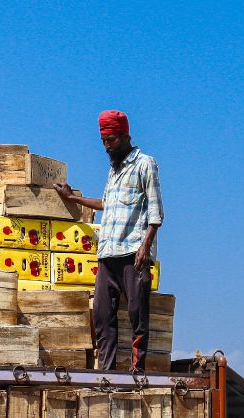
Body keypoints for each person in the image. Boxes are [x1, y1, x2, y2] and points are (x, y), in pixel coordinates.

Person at [54, 110, 164, 371]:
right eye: (103, 141)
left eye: (111, 140)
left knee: (138, 315)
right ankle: (107, 372)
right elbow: (107, 204)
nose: (107, 146)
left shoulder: (144, 164)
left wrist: (145, 247)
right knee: (103, 316)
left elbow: (156, 211)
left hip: (132, 253)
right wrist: (74, 199)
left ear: (125, 136)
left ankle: (137, 370)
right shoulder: (113, 171)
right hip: (107, 253)